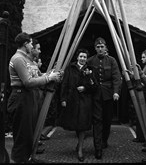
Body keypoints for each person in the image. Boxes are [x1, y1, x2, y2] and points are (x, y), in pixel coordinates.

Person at [7, 32, 61, 163]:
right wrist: (49, 78)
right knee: (22, 134)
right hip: (21, 97)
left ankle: (27, 158)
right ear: (25, 44)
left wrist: (50, 74)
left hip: (28, 97)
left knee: (29, 132)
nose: (32, 46)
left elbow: (37, 77)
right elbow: (28, 82)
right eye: (31, 43)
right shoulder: (18, 59)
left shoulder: (27, 59)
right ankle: (20, 160)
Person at [58, 48, 97, 162]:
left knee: (83, 124)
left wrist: (85, 88)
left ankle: (80, 149)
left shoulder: (90, 69)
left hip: (85, 101)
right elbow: (64, 84)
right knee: (76, 124)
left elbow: (95, 86)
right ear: (77, 57)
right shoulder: (70, 68)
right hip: (72, 100)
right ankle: (79, 145)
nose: (83, 59)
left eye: (85, 57)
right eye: (81, 56)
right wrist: (63, 99)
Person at [87, 37, 122, 160]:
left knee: (107, 120)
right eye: (98, 47)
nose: (100, 49)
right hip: (95, 95)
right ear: (95, 48)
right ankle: (98, 148)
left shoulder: (112, 61)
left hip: (108, 95)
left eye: (102, 47)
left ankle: (104, 140)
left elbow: (116, 77)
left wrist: (116, 92)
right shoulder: (90, 61)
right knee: (97, 120)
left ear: (105, 47)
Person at [133, 49, 146, 143]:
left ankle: (141, 137)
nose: (142, 59)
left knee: (142, 113)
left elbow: (142, 79)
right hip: (144, 91)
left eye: (144, 57)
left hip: (144, 92)